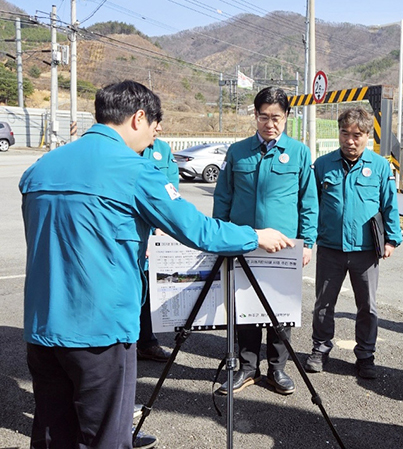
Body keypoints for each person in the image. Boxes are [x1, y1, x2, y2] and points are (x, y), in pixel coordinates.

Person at [20, 80, 292, 449]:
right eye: (154, 127)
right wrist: (254, 236)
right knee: (105, 438)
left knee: (53, 432)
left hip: (42, 327)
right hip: (101, 332)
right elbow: (199, 230)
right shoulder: (135, 171)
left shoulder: (42, 167)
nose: (155, 136)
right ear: (138, 118)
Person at [213, 86, 318, 396]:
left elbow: (308, 202)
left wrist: (308, 242)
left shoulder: (299, 152)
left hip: (283, 248)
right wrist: (220, 237)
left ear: (286, 118)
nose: (269, 124)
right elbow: (223, 198)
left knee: (279, 310)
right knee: (243, 307)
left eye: (276, 117)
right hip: (243, 244)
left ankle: (277, 368)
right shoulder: (237, 151)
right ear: (255, 116)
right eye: (263, 117)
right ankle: (246, 368)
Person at [304, 107, 402, 379]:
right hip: (330, 248)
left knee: (367, 306)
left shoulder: (380, 167)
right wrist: (308, 240)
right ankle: (320, 350)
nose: (349, 140)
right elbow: (312, 206)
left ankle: (365, 355)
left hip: (365, 249)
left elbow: (389, 205)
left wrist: (391, 239)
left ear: (367, 136)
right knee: (323, 303)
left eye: (356, 135)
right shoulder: (323, 165)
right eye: (344, 133)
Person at [137, 123, 177, 362]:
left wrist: (161, 229)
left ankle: (146, 341)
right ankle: (121, 345)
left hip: (155, 234)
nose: (160, 128)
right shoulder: (118, 150)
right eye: (155, 121)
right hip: (128, 234)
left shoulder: (162, 149)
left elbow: (172, 192)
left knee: (150, 289)